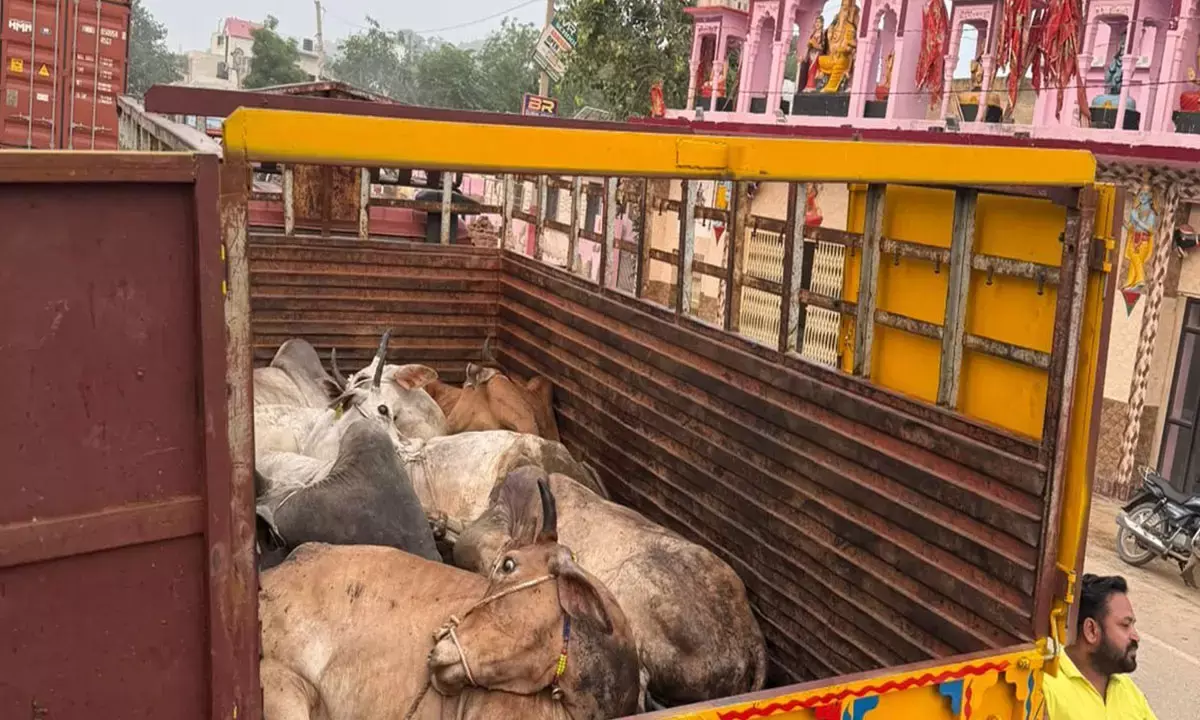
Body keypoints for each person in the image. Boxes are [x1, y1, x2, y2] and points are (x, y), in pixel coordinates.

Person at [1043, 574, 1157, 719]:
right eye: (1125, 625)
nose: (1136, 636)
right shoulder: (1046, 687)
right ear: (1091, 630)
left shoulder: (1128, 691)